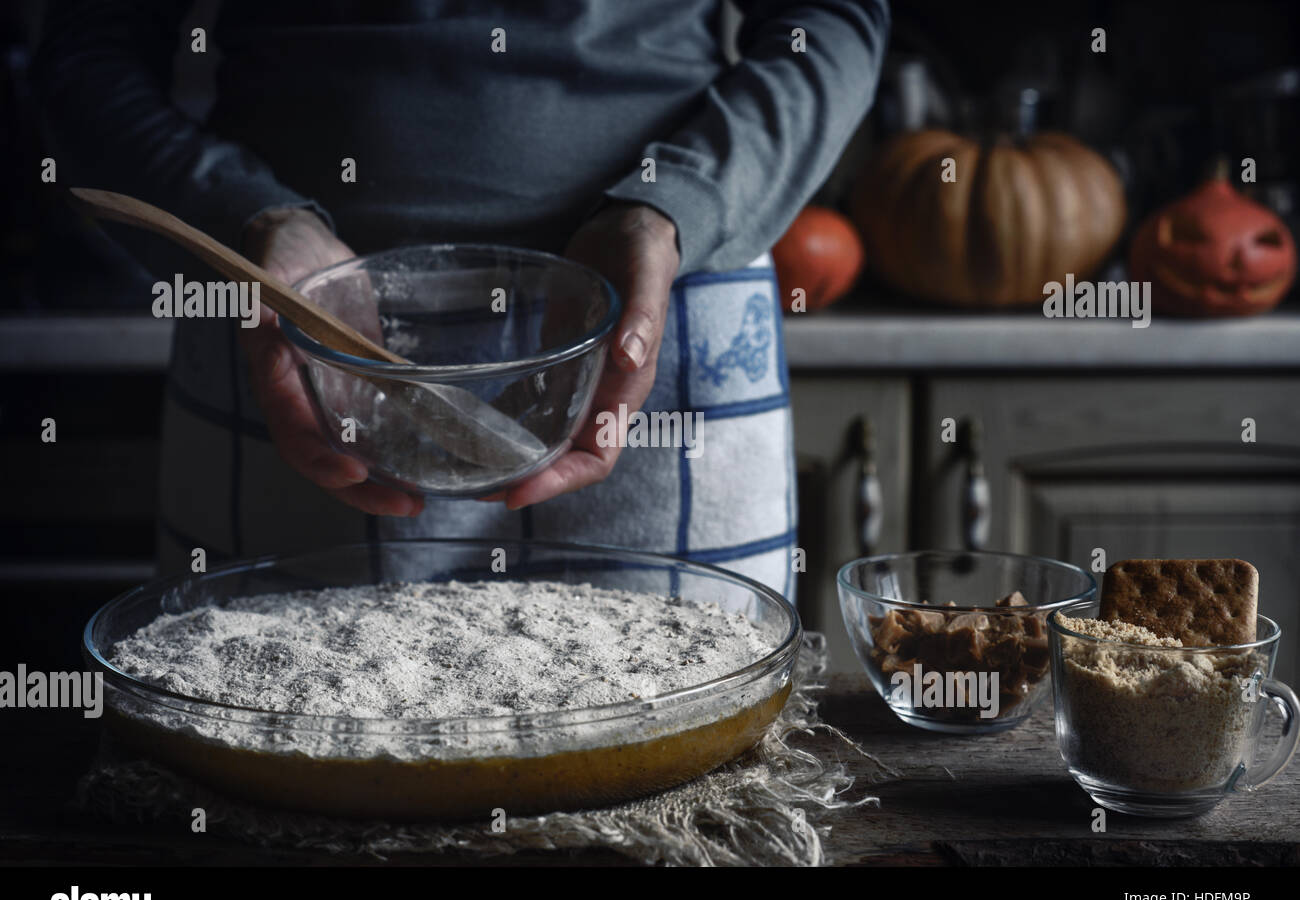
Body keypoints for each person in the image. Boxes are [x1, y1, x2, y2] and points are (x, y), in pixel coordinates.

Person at [35, 1, 888, 599]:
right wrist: (243, 218)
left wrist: (680, 204)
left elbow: (832, 18)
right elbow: (86, 51)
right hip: (293, 323)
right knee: (279, 796)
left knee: (681, 802)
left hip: (659, 300)